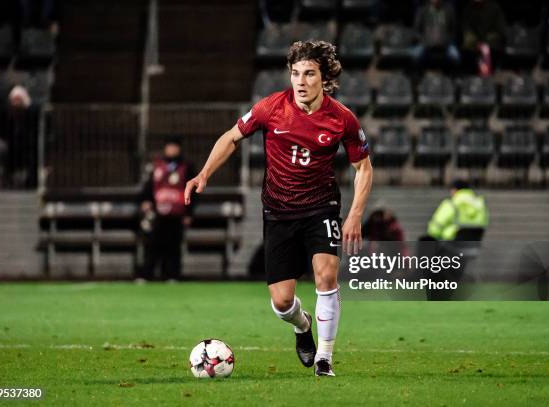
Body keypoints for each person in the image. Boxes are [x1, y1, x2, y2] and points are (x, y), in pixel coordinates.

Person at [185, 40, 373, 376]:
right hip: (279, 211)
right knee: (283, 302)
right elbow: (231, 137)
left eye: (309, 74)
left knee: (326, 275)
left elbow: (364, 168)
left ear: (324, 79)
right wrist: (203, 174)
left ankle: (325, 358)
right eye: (295, 73)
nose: (300, 81)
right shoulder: (271, 108)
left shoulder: (342, 118)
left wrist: (356, 213)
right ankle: (302, 328)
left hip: (321, 207)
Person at [140, 137, 195, 281]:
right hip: (158, 213)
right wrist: (146, 201)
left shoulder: (186, 166)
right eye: (169, 147)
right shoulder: (156, 166)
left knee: (174, 245)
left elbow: (193, 191)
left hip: (177, 213)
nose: (171, 150)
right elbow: (148, 187)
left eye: (174, 147)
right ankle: (147, 274)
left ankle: (172, 275)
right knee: (153, 244)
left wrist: (188, 213)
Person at [461, 0, 506, 76]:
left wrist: (485, 42)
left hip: (491, 44)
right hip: (473, 45)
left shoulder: (494, 8)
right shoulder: (469, 8)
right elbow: (466, 28)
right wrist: (474, 41)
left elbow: (500, 30)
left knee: (487, 51)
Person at [412, 0, 460, 67]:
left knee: (455, 56)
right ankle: (417, 74)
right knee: (415, 55)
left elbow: (454, 28)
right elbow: (416, 29)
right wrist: (422, 40)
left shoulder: (449, 10)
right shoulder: (422, 10)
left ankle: (451, 74)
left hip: (445, 43)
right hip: (426, 42)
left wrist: (448, 40)